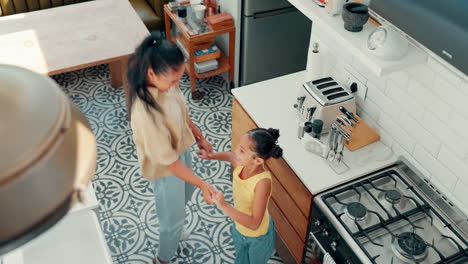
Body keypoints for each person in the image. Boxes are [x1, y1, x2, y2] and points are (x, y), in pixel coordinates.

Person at [127, 32, 217, 264]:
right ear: (151, 74)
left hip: (181, 151)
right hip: (166, 168)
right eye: (173, 81)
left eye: (179, 80)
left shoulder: (166, 84)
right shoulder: (146, 113)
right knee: (172, 220)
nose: (176, 86)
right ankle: (163, 258)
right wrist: (204, 183)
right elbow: (168, 162)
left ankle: (175, 227)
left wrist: (199, 136)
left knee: (185, 196)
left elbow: (182, 112)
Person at [198, 128, 283, 264]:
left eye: (242, 151)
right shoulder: (242, 163)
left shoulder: (262, 183)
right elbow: (231, 156)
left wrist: (224, 206)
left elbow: (255, 223)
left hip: (258, 237)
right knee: (241, 259)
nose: (236, 152)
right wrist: (211, 156)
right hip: (239, 228)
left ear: (258, 161)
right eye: (238, 147)